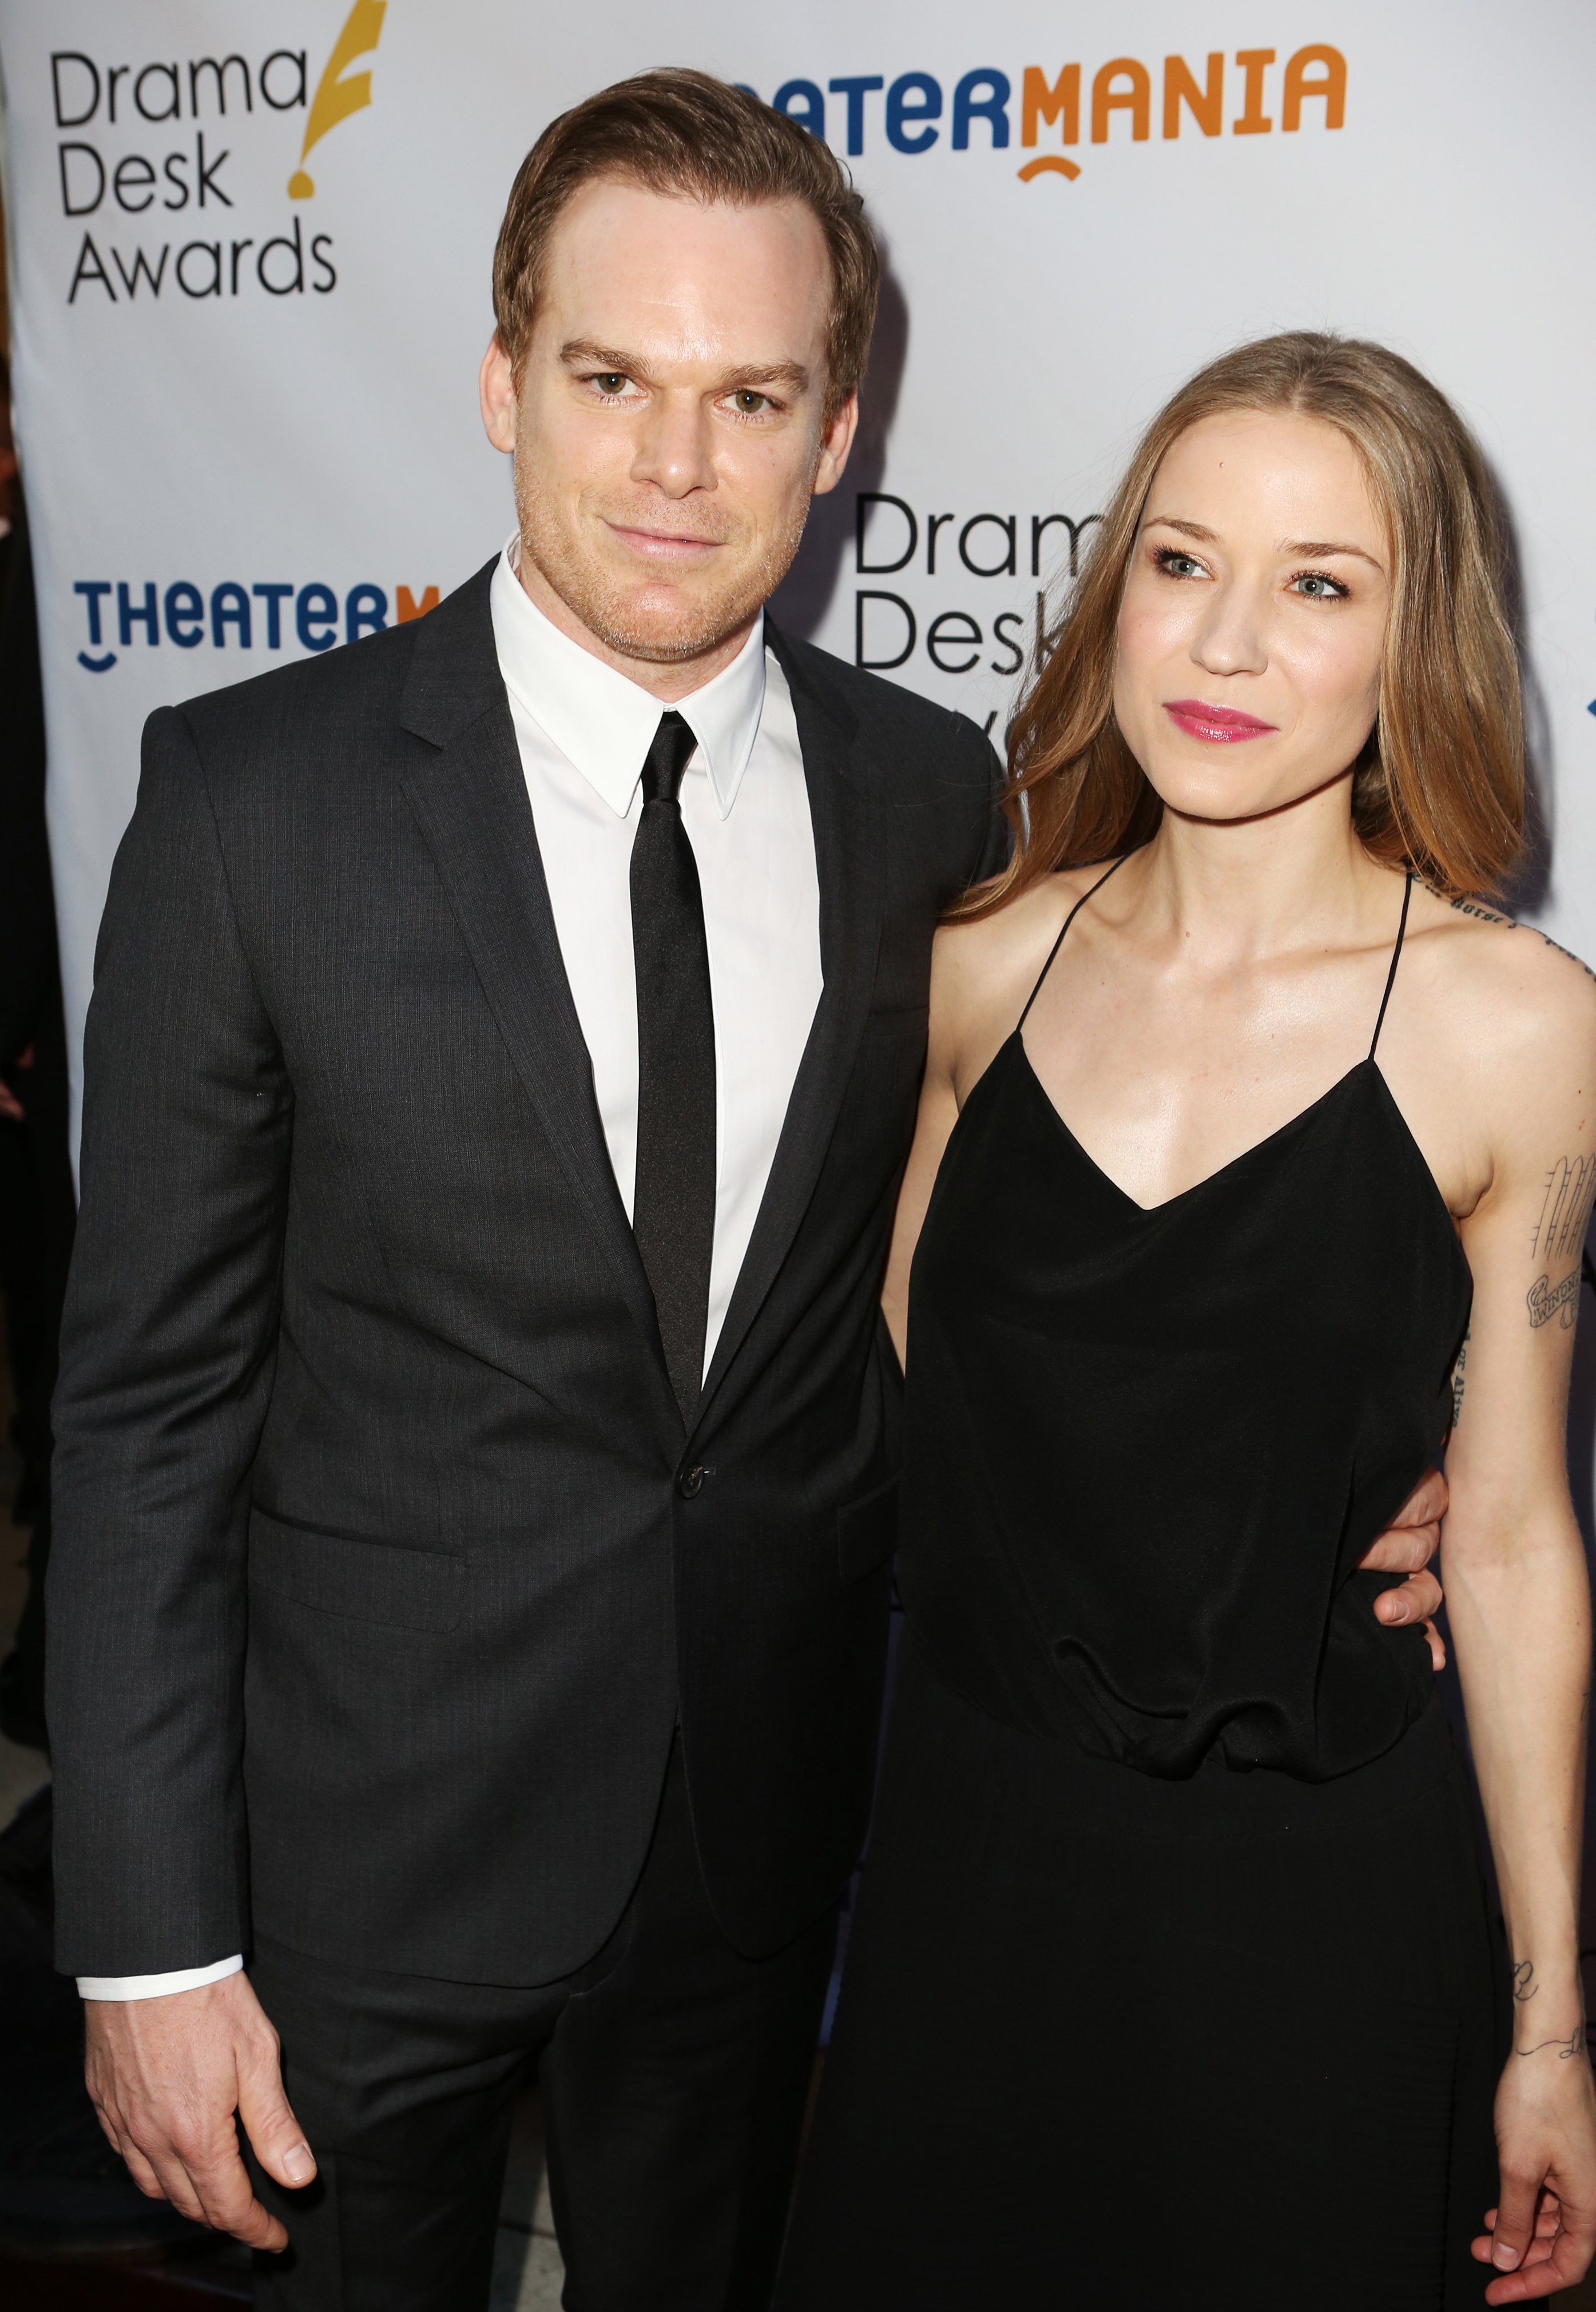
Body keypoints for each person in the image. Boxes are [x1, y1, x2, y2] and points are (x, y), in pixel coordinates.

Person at [43, 77, 1446, 2311]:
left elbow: (1045, 1280)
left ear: (835, 427)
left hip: (761, 1853)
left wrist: (1381, 1460)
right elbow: (143, 1412)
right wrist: (145, 1944)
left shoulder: (937, 804)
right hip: (359, 1873)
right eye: (611, 379)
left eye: (748, 396)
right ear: (505, 382)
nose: (675, 464)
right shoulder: (250, 799)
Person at [777, 332, 1596, 2311]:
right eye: (1179, 561)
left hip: (1321, 1900)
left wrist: (1553, 2017)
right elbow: (898, 1408)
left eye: (1319, 583)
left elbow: (1503, 1540)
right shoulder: (977, 963)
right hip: (975, 1868)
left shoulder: (1523, 1027)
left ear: (1418, 640)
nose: (1224, 643)